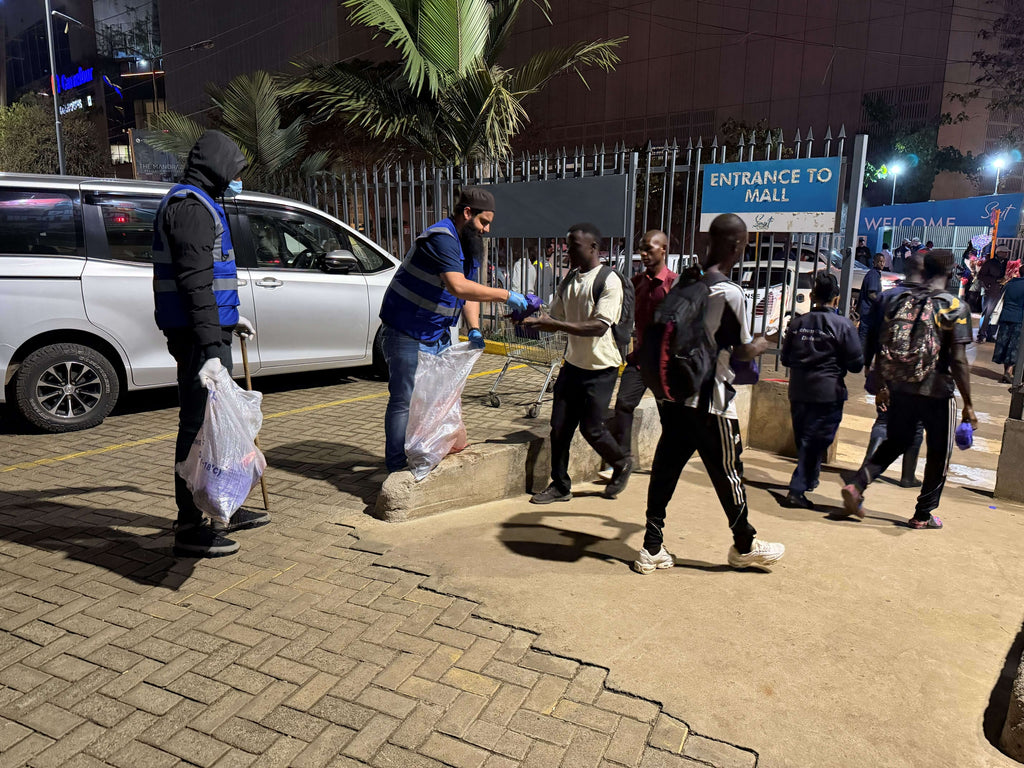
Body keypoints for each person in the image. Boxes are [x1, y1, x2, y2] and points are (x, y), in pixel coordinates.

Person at [633, 213, 785, 574]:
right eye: (746, 241)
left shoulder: (687, 282)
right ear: (737, 245)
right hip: (711, 401)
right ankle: (745, 545)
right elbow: (742, 349)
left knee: (666, 469)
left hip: (673, 396)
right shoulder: (729, 292)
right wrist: (766, 341)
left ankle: (651, 547)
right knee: (728, 473)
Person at [152, 130, 268, 559]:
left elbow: (207, 280)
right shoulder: (190, 208)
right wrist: (208, 348)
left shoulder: (200, 202)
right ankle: (190, 524)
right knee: (198, 428)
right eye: (234, 169)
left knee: (220, 427)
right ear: (217, 165)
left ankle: (224, 504)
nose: (236, 179)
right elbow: (193, 282)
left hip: (209, 332)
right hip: (198, 339)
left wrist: (228, 317)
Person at [378, 187, 528, 473]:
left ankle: (428, 448)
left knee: (440, 396)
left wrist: (474, 329)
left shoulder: (468, 244)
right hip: (406, 331)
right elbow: (457, 286)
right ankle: (396, 465)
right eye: (483, 222)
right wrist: (506, 295)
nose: (486, 229)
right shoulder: (442, 239)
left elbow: (467, 294)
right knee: (405, 399)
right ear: (467, 213)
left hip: (436, 332)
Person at [842, 249, 977, 528]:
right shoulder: (953, 306)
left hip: (900, 385)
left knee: (897, 440)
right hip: (937, 391)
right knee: (939, 452)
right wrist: (969, 403)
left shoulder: (899, 300)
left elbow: (879, 342)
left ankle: (857, 485)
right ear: (951, 272)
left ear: (924, 270)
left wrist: (880, 382)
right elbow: (959, 359)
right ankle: (923, 514)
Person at [523, 223, 633, 503]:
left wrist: (555, 323)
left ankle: (621, 463)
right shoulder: (569, 279)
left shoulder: (609, 280)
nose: (567, 250)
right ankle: (560, 485)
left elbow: (598, 326)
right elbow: (555, 319)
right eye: (566, 245)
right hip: (573, 365)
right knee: (559, 428)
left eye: (574, 246)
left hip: (601, 368)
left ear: (593, 248)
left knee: (591, 428)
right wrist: (532, 322)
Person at [779, 273, 863, 509]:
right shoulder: (844, 326)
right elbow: (856, 365)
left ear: (813, 296)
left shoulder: (797, 324)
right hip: (828, 394)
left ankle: (809, 480)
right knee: (815, 442)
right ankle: (797, 489)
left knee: (806, 440)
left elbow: (785, 359)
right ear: (836, 299)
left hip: (799, 391)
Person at [608, 229, 677, 461]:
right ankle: (621, 461)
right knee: (623, 405)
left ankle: (666, 463)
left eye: (649, 248)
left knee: (670, 419)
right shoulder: (636, 283)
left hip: (665, 367)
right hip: (639, 362)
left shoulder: (674, 285)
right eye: (641, 249)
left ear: (664, 249)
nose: (644, 253)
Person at [861, 253, 926, 488]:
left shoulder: (886, 297)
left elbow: (869, 331)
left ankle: (867, 470)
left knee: (883, 419)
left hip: (886, 369)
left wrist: (868, 364)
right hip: (916, 375)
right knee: (916, 425)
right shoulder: (931, 300)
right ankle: (907, 476)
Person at [993, 259, 1024, 383]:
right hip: (1019, 318)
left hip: (1005, 316)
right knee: (1014, 345)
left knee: (1004, 343)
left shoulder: (1009, 283)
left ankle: (1005, 372)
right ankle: (1009, 372)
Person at [978, 247, 1010, 343]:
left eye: (1006, 253)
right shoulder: (990, 263)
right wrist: (995, 280)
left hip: (1002, 291)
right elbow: (981, 276)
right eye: (1004, 252)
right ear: (999, 252)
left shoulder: (1007, 263)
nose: (1006, 254)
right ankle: (981, 334)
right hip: (991, 291)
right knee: (987, 313)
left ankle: (991, 334)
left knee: (997, 314)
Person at [858, 253, 885, 348]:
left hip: (869, 312)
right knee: (864, 338)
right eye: (880, 261)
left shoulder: (875, 274)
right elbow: (871, 294)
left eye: (883, 262)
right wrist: (882, 302)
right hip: (868, 312)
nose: (882, 264)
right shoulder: (873, 275)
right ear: (874, 262)